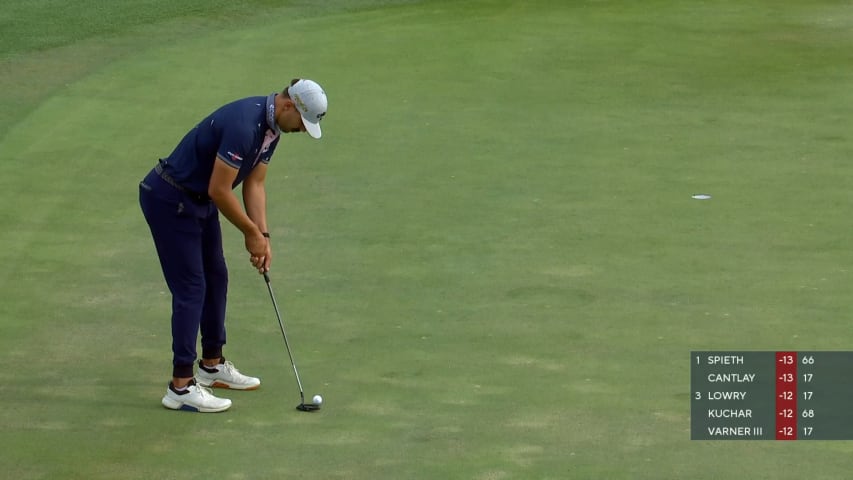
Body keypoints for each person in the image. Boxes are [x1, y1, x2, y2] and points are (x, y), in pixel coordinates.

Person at [139, 78, 328, 412]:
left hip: (197, 201)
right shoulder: (245, 125)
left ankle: (211, 366)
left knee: (217, 277)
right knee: (192, 288)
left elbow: (254, 183)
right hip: (171, 199)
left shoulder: (272, 131)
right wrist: (249, 233)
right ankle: (180, 387)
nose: (301, 130)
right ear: (288, 106)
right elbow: (220, 190)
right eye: (301, 123)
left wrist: (263, 235)